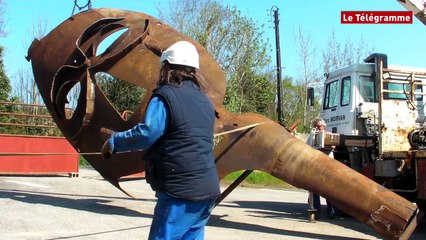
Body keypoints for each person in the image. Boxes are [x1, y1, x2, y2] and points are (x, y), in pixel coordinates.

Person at [101, 40, 221, 240]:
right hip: (206, 190)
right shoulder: (205, 102)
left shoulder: (165, 96)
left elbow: (148, 133)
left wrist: (114, 142)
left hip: (179, 192)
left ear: (167, 67)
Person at [306, 118, 336, 221]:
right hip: (315, 165)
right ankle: (316, 212)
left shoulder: (329, 136)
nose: (318, 128)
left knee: (329, 190)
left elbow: (334, 145)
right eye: (316, 126)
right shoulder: (311, 136)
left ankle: (331, 211)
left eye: (320, 126)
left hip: (328, 166)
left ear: (324, 126)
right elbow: (308, 148)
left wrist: (331, 145)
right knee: (315, 190)